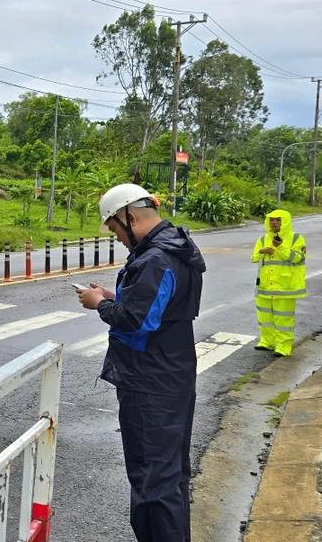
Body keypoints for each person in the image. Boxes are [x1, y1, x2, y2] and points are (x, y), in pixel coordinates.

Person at [76, 183, 205, 542]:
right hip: (173, 377)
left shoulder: (154, 259)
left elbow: (135, 321)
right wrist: (117, 296)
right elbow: (159, 308)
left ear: (130, 218)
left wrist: (99, 304)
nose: (117, 237)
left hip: (150, 385)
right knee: (171, 477)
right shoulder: (177, 249)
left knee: (153, 484)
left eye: (115, 228)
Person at [252, 209, 307, 357]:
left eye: (278, 220)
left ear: (285, 222)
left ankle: (283, 347)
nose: (274, 223)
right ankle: (267, 342)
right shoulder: (263, 239)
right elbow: (254, 257)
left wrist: (280, 247)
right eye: (272, 220)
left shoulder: (296, 238)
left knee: (283, 319)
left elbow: (298, 258)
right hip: (264, 286)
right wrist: (262, 251)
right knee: (265, 318)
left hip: (285, 288)